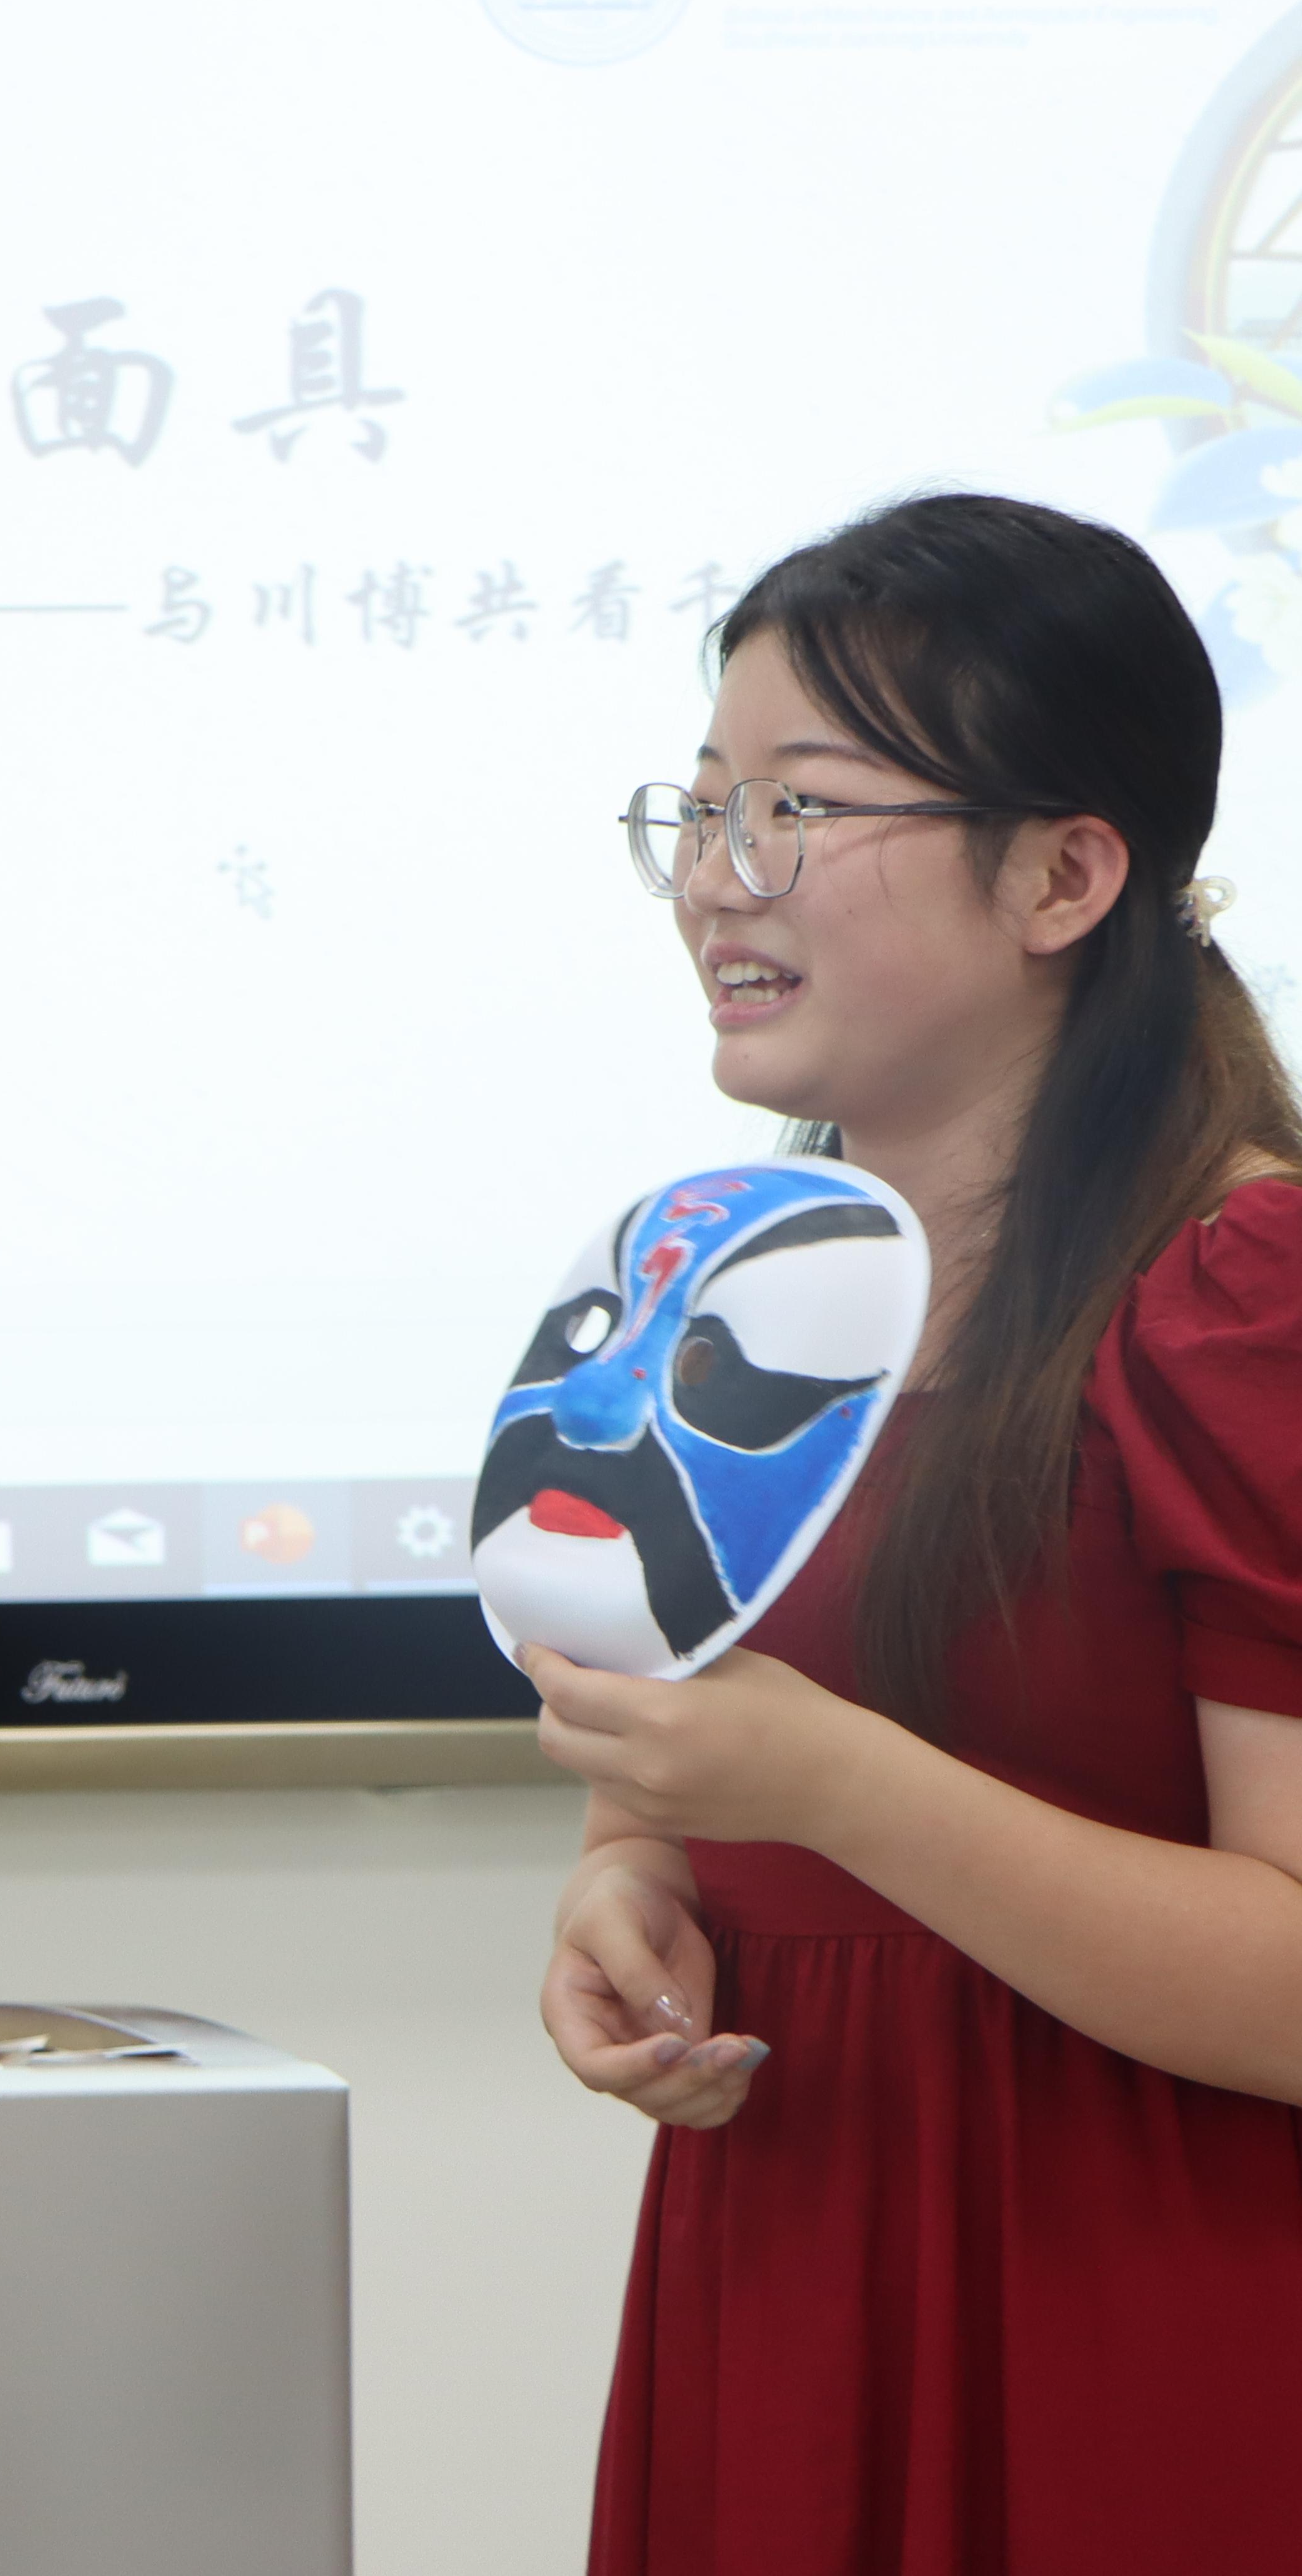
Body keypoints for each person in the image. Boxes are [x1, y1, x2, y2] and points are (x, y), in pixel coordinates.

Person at [528, 492, 1302, 2571]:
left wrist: (835, 1788)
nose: (720, 876)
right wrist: (630, 1891)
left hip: (1138, 2329)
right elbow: (689, 1784)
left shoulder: (1242, 1288)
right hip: (791, 2272)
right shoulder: (726, 1283)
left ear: (1064, 873)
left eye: (800, 807)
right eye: (702, 808)